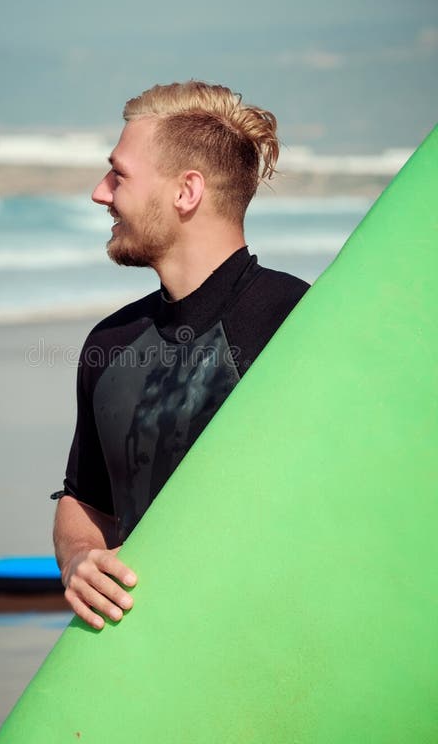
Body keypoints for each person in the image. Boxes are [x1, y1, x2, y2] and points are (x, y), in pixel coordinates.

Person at [52, 81, 309, 630]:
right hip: (151, 661)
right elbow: (85, 499)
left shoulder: (296, 323)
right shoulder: (111, 343)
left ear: (186, 192)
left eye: (118, 174)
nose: (101, 193)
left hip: (280, 649)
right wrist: (77, 557)